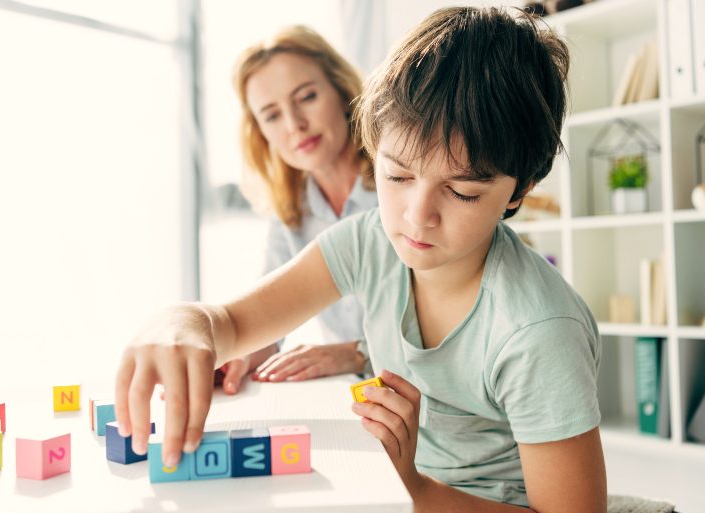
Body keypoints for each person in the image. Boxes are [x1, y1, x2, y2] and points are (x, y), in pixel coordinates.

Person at [116, 7, 607, 512]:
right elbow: (232, 322)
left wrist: (413, 488)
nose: (417, 218)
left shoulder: (538, 331)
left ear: (519, 189)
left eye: (460, 191)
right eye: (396, 177)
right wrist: (184, 320)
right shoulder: (369, 241)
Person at [216, 25, 378, 395]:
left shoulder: (403, 182)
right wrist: (241, 356)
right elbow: (268, 320)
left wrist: (358, 354)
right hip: (361, 402)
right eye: (272, 115)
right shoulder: (290, 212)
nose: (294, 125)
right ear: (261, 132)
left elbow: (451, 321)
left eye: (306, 97)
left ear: (341, 90)